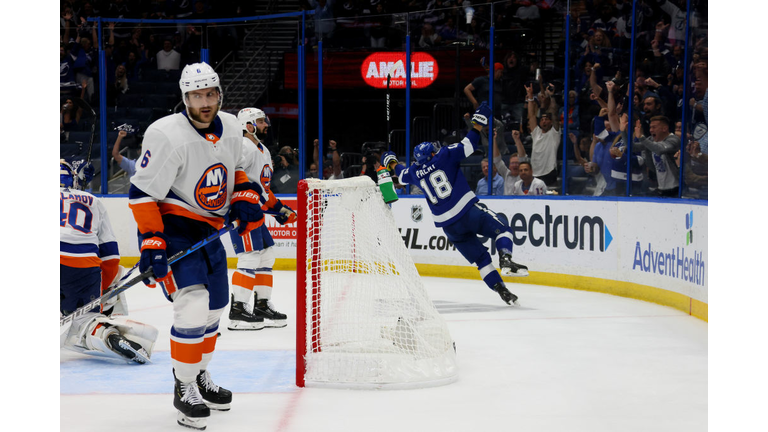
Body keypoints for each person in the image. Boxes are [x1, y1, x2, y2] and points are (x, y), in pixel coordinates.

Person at [128, 62, 266, 430]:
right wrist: (152, 241)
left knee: (215, 308)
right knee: (192, 305)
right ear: (184, 98)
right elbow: (141, 193)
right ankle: (184, 386)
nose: (204, 102)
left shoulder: (232, 127)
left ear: (220, 94)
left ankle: (199, 375)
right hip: (172, 229)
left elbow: (237, 169)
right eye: (195, 95)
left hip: (209, 230)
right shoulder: (165, 134)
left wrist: (244, 195)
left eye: (209, 94)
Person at [397, 103, 528, 306]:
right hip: (467, 212)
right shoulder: (443, 155)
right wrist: (478, 124)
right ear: (432, 154)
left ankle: (502, 291)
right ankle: (505, 259)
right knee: (504, 229)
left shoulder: (414, 171)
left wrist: (390, 162)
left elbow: (401, 175)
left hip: (449, 227)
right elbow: (469, 145)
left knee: (481, 261)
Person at [60, 159, 158, 365]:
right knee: (86, 320)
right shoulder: (93, 201)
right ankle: (104, 332)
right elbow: (111, 258)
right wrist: (102, 295)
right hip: (83, 268)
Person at [228, 107, 296, 331]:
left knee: (266, 256)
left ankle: (262, 305)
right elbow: (232, 175)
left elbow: (263, 189)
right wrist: (242, 201)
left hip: (254, 211)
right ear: (248, 125)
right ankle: (238, 310)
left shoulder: (263, 150)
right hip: (243, 212)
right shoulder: (242, 146)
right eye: (260, 121)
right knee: (249, 258)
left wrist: (279, 209)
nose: (266, 124)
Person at [521, 82, 561, 187]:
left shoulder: (554, 133)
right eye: (542, 119)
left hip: (549, 172)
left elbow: (554, 112)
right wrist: (530, 97)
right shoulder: (536, 132)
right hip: (535, 173)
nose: (544, 121)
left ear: (551, 122)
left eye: (546, 119)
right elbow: (531, 116)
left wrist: (551, 96)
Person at [634, 115, 680, 197]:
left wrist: (641, 137)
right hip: (660, 188)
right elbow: (633, 148)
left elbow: (659, 149)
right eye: (650, 127)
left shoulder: (674, 140)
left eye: (654, 127)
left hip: (676, 189)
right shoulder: (651, 139)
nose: (651, 130)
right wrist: (624, 132)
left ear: (664, 128)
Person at [495, 129, 521, 195]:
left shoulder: (524, 175)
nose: (514, 165)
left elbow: (523, 157)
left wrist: (517, 139)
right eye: (512, 163)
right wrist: (493, 139)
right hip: (506, 201)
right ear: (509, 166)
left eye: (517, 163)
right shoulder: (506, 174)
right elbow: (497, 160)